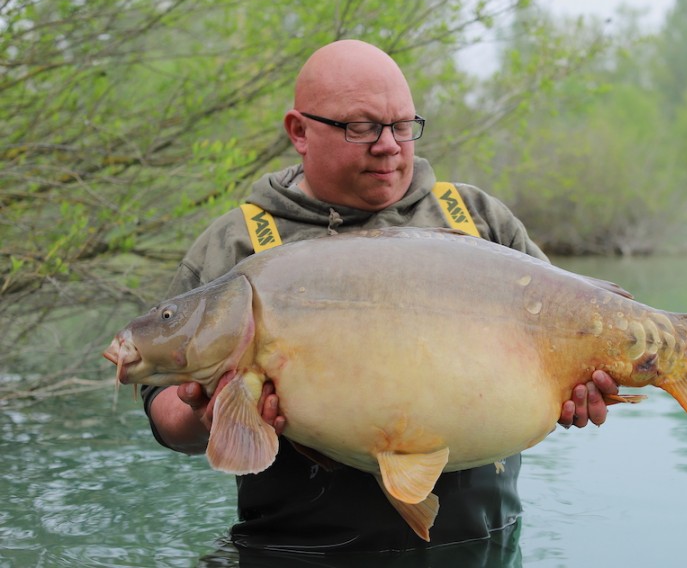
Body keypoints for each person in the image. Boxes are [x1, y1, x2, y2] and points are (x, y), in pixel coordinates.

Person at [141, 40, 619, 554]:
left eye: (402, 125)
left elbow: (574, 340)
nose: (389, 145)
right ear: (299, 131)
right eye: (361, 127)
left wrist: (585, 390)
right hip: (295, 553)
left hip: (485, 546)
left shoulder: (477, 220)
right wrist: (207, 418)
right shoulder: (238, 245)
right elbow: (162, 405)